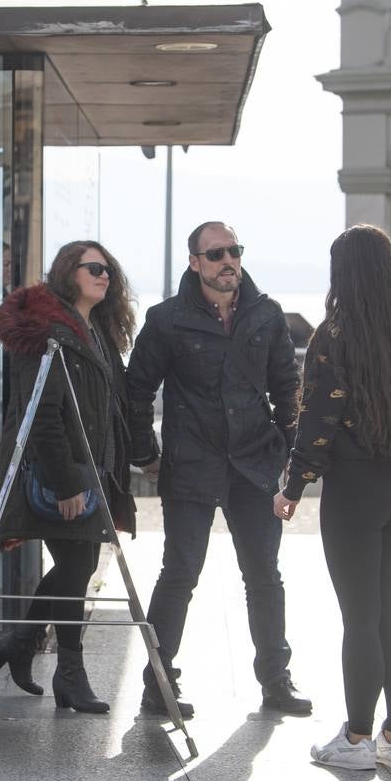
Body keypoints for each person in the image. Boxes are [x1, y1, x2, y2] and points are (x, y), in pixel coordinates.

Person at [274, 225, 391, 771]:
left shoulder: (337, 334)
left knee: (361, 619)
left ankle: (354, 739)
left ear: (343, 273)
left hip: (353, 492)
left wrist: (293, 485)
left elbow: (318, 420)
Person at [126, 221, 310, 719]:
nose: (227, 260)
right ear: (195, 262)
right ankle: (158, 685)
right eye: (215, 254)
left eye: (234, 251)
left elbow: (287, 390)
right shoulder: (166, 319)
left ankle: (276, 681)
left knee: (264, 576)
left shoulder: (267, 314)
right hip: (191, 465)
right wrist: (145, 452)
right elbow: (137, 390)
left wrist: (294, 459)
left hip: (255, 463)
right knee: (180, 574)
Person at [0, 241, 137, 713]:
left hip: (92, 472)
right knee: (76, 569)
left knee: (79, 569)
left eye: (108, 268)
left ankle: (24, 643)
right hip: (67, 475)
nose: (104, 275)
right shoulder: (48, 332)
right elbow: (42, 414)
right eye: (93, 267)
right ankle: (66, 672)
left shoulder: (94, 332)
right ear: (66, 272)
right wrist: (67, 482)